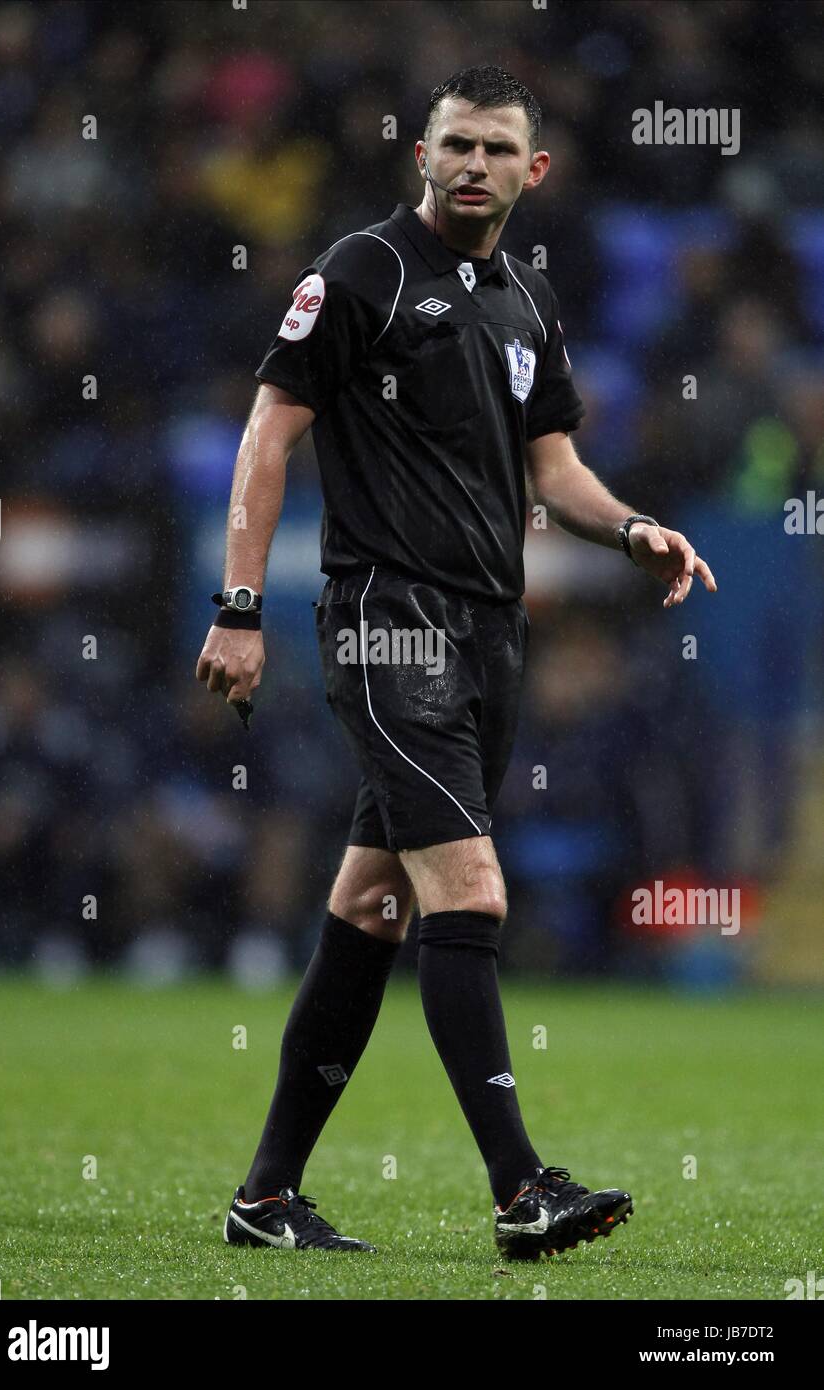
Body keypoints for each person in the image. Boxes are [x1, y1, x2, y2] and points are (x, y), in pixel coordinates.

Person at [196, 65, 717, 1259]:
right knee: (469, 894)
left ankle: (264, 1196)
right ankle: (520, 1186)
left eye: (495, 149)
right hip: (388, 621)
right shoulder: (363, 271)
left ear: (533, 172)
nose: (471, 165)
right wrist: (236, 605)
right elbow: (269, 429)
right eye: (453, 145)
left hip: (488, 634)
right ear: (419, 156)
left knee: (370, 905)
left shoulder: (525, 303)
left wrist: (632, 527)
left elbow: (554, 474)